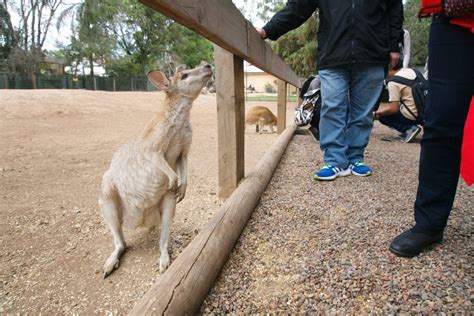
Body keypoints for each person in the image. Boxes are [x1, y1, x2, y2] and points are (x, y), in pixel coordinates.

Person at [256, 0, 404, 181]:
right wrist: (267, 30)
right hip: (333, 53)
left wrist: (395, 44)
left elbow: (394, 9)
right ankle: (334, 160)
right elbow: (298, 7)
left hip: (372, 53)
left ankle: (355, 157)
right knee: (332, 106)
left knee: (363, 112)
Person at [389, 13, 474, 257]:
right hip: (455, 16)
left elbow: (393, 109)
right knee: (441, 120)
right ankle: (429, 222)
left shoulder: (394, 82)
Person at [373, 65, 423, 143]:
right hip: (426, 112)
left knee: (383, 117)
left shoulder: (393, 82)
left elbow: (393, 109)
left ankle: (409, 129)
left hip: (413, 115)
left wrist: (377, 113)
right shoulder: (413, 71)